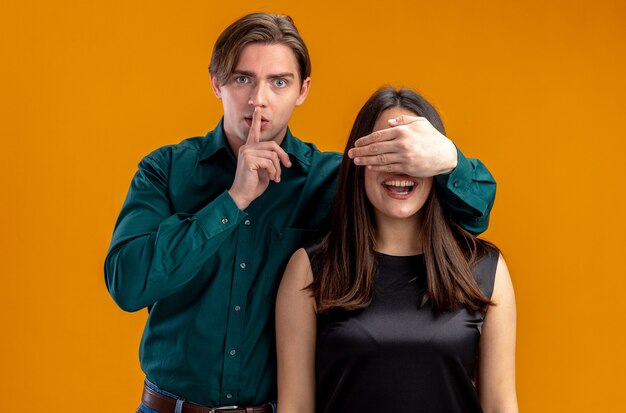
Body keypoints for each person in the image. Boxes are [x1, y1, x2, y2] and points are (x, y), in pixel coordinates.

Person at [105, 12, 497, 413]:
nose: (259, 99)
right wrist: (233, 200)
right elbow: (127, 284)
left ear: (302, 90)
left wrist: (448, 159)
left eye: (279, 82)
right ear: (216, 82)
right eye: (243, 79)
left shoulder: (330, 179)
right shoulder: (165, 170)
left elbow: (471, 215)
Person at [276, 87, 517, 413]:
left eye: (411, 154)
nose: (400, 167)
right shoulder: (309, 269)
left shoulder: (485, 269)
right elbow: (295, 407)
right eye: (385, 152)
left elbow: (501, 404)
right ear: (359, 162)